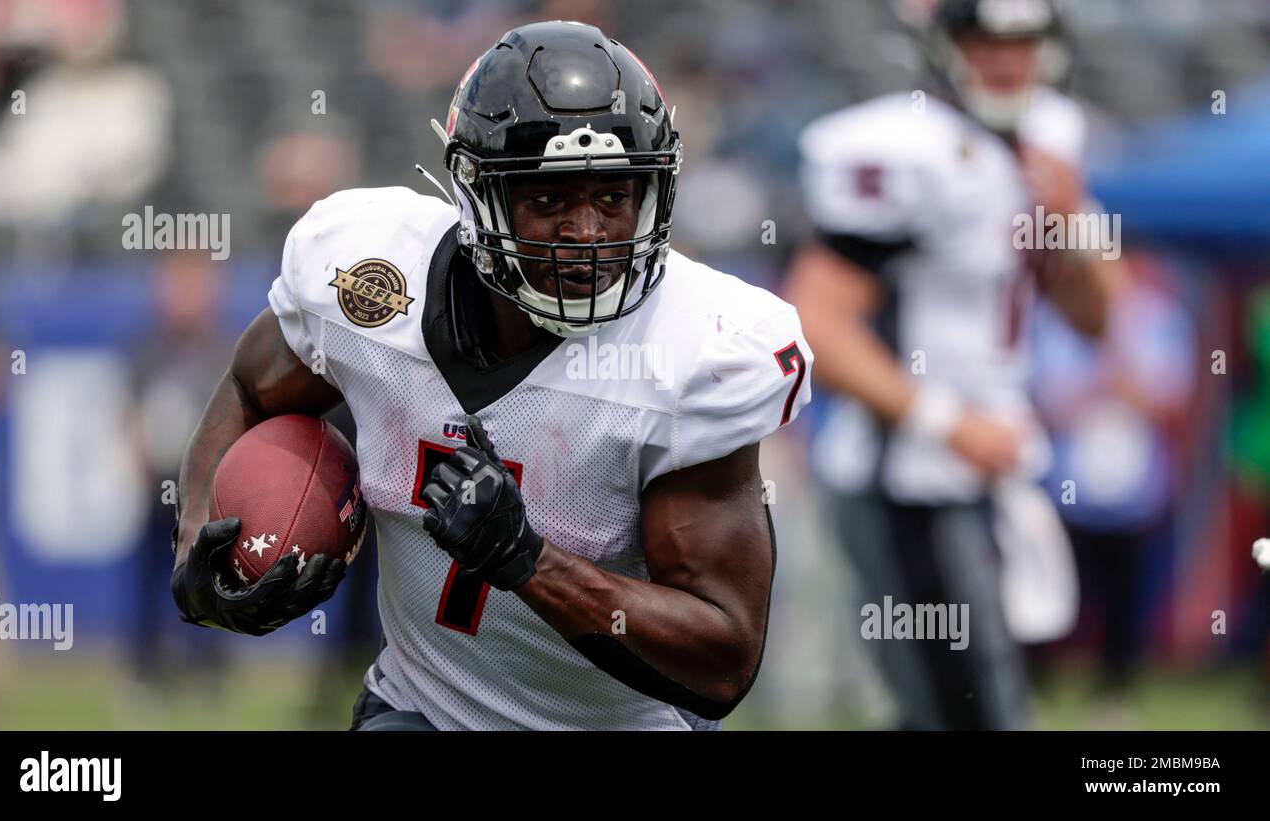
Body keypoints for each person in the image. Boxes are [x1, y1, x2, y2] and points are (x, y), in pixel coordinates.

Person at [169, 20, 812, 731]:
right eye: (549, 199)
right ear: (478, 197)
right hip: (426, 711)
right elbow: (248, 388)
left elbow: (722, 659)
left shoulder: (694, 350)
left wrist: (528, 560)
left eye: (612, 196)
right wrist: (198, 544)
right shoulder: (373, 283)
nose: (588, 234)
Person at [785, 0, 1114, 729]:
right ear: (943, 46)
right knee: (966, 708)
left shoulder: (1049, 138)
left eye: (1023, 42)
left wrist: (1072, 225)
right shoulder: (906, 147)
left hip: (989, 473)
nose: (1006, 61)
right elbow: (815, 318)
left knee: (961, 703)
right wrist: (946, 421)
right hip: (905, 479)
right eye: (983, 41)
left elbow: (1097, 319)